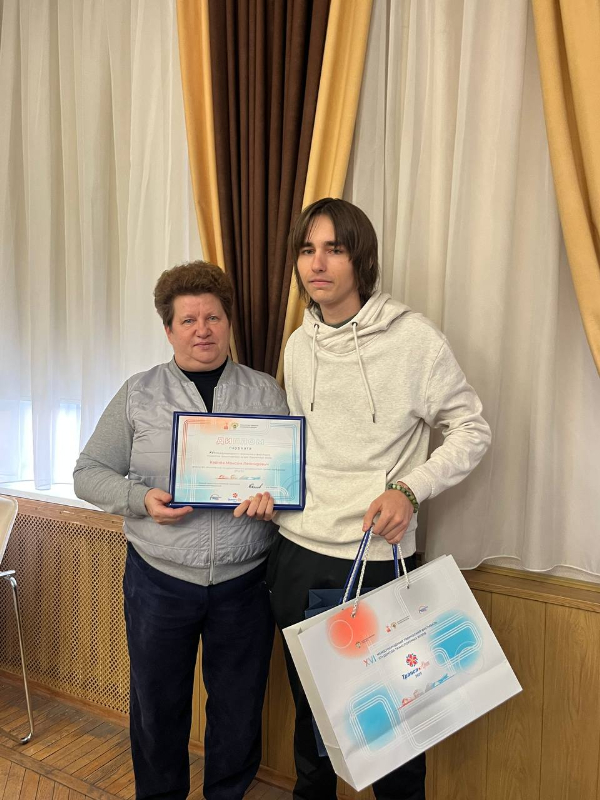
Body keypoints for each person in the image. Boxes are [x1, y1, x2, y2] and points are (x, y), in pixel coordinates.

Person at [240, 198, 491, 800]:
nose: (317, 263)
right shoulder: (298, 346)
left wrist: (409, 489)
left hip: (376, 561)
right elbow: (301, 445)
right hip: (296, 554)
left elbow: (472, 429)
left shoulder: (414, 339)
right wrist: (270, 486)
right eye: (307, 250)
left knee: (395, 737)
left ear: (362, 259)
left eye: (334, 249)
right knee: (314, 732)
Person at [73, 261, 288, 800]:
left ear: (228, 322)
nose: (202, 330)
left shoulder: (267, 393)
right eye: (188, 320)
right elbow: (88, 473)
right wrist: (140, 500)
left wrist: (276, 503)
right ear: (168, 330)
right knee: (157, 707)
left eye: (213, 317)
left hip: (246, 583)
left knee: (239, 709)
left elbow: (291, 480)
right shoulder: (138, 393)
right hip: (159, 580)